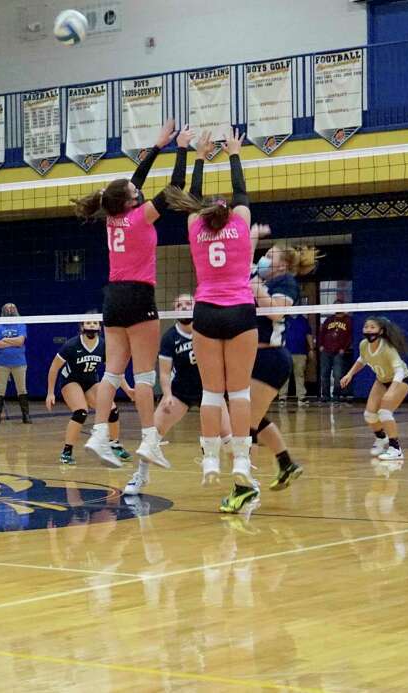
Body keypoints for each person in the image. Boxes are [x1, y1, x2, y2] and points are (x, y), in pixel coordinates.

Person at [72, 119, 192, 468]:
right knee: (143, 377)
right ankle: (149, 439)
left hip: (113, 299)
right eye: (134, 193)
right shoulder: (142, 217)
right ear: (129, 201)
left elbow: (131, 183)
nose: (137, 190)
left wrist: (157, 146)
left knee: (111, 373)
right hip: (139, 297)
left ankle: (99, 435)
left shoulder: (113, 218)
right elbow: (176, 186)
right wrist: (180, 147)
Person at [163, 128, 259, 514]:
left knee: (210, 394)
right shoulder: (240, 224)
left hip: (206, 311)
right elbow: (242, 194)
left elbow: (192, 200)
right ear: (230, 214)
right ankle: (240, 461)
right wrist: (235, 153)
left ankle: (209, 460)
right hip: (240, 311)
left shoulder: (195, 228)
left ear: (204, 215)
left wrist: (200, 157)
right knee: (239, 394)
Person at [122, 293, 234, 494]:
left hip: (210, 389)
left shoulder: (207, 330)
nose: (183, 307)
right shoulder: (169, 337)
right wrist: (166, 395)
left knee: (228, 438)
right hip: (180, 391)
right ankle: (141, 476)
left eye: (188, 304)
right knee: (152, 435)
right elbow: (164, 373)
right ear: (175, 310)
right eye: (179, 305)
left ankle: (243, 482)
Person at [249, 244, 321, 493]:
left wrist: (255, 283)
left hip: (270, 357)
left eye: (270, 256)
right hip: (249, 356)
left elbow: (276, 313)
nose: (263, 259)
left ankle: (246, 484)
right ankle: (286, 463)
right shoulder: (258, 279)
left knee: (246, 423)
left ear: (283, 265)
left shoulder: (286, 281)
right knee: (251, 418)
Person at [44, 317, 135, 466]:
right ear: (82, 326)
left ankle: (114, 444)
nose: (91, 325)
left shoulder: (104, 345)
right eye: (88, 323)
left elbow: (114, 371)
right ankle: (67, 451)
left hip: (91, 382)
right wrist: (50, 392)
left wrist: (128, 390)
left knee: (112, 410)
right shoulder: (71, 345)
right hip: (70, 381)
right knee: (81, 412)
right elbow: (54, 368)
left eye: (94, 323)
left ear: (99, 327)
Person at [340, 317, 408, 461]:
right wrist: (349, 374)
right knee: (369, 415)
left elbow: (399, 371)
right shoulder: (364, 345)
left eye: (372, 327)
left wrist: (392, 390)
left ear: (381, 331)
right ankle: (381, 438)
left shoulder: (387, 348)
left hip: (400, 380)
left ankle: (396, 449)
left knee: (384, 412)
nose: (368, 330)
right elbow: (362, 360)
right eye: (366, 327)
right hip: (382, 380)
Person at [0, 303, 30, 425]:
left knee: (22, 389)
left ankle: (26, 415)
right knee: (0, 389)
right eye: (7, 308)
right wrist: (13, 342)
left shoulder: (21, 324)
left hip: (19, 362)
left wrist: (5, 340)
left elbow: (20, 341)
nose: (10, 309)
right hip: (2, 363)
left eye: (12, 307)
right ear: (3, 310)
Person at [319, 305, 352, 403]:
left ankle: (336, 395)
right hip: (326, 350)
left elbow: (350, 336)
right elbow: (322, 332)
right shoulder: (329, 320)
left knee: (338, 374)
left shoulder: (348, 320)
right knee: (324, 373)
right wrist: (320, 345)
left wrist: (344, 348)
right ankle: (325, 395)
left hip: (339, 351)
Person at [280, 312, 314, 406]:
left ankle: (301, 397)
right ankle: (282, 397)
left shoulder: (303, 320)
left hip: (300, 352)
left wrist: (311, 348)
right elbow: (277, 334)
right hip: (285, 352)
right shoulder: (284, 319)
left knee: (300, 375)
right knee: (284, 376)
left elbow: (308, 334)